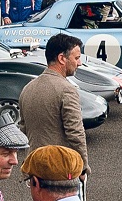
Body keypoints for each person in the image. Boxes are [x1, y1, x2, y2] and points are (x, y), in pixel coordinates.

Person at [20, 31, 90, 163]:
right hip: (59, 169)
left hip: (33, 166)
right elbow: (75, 133)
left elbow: (23, 130)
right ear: (62, 58)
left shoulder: (28, 88)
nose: (79, 63)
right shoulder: (67, 90)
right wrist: (83, 166)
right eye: (76, 58)